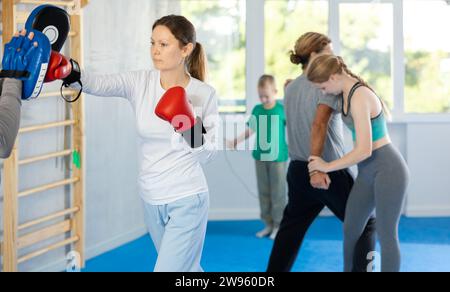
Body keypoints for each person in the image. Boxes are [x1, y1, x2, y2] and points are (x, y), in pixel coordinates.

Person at [45, 15, 219, 272]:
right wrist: (70, 70)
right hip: (151, 197)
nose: (155, 51)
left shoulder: (204, 94)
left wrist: (186, 124)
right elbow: (99, 84)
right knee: (188, 270)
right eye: (152, 43)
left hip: (187, 198)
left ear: (186, 49)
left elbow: (209, 154)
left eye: (164, 44)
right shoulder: (141, 82)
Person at [267, 32, 376, 272]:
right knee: (365, 224)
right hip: (326, 169)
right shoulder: (324, 84)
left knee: (290, 230)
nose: (334, 57)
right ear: (314, 54)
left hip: (296, 169)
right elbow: (318, 124)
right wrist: (316, 167)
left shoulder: (291, 87)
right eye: (329, 51)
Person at [307, 54, 409, 272]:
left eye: (323, 87)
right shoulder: (344, 93)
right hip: (367, 171)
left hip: (388, 169)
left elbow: (364, 149)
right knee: (351, 228)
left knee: (386, 234)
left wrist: (326, 166)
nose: (322, 92)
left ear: (333, 77)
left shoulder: (359, 95)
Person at [228, 75, 288, 240]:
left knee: (279, 192)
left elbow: (294, 129)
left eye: (266, 96)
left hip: (278, 157)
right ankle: (268, 224)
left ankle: (278, 225)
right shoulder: (257, 110)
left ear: (275, 92)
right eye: (260, 96)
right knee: (264, 192)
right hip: (260, 156)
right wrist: (235, 141)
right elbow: (250, 130)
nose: (263, 99)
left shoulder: (282, 110)